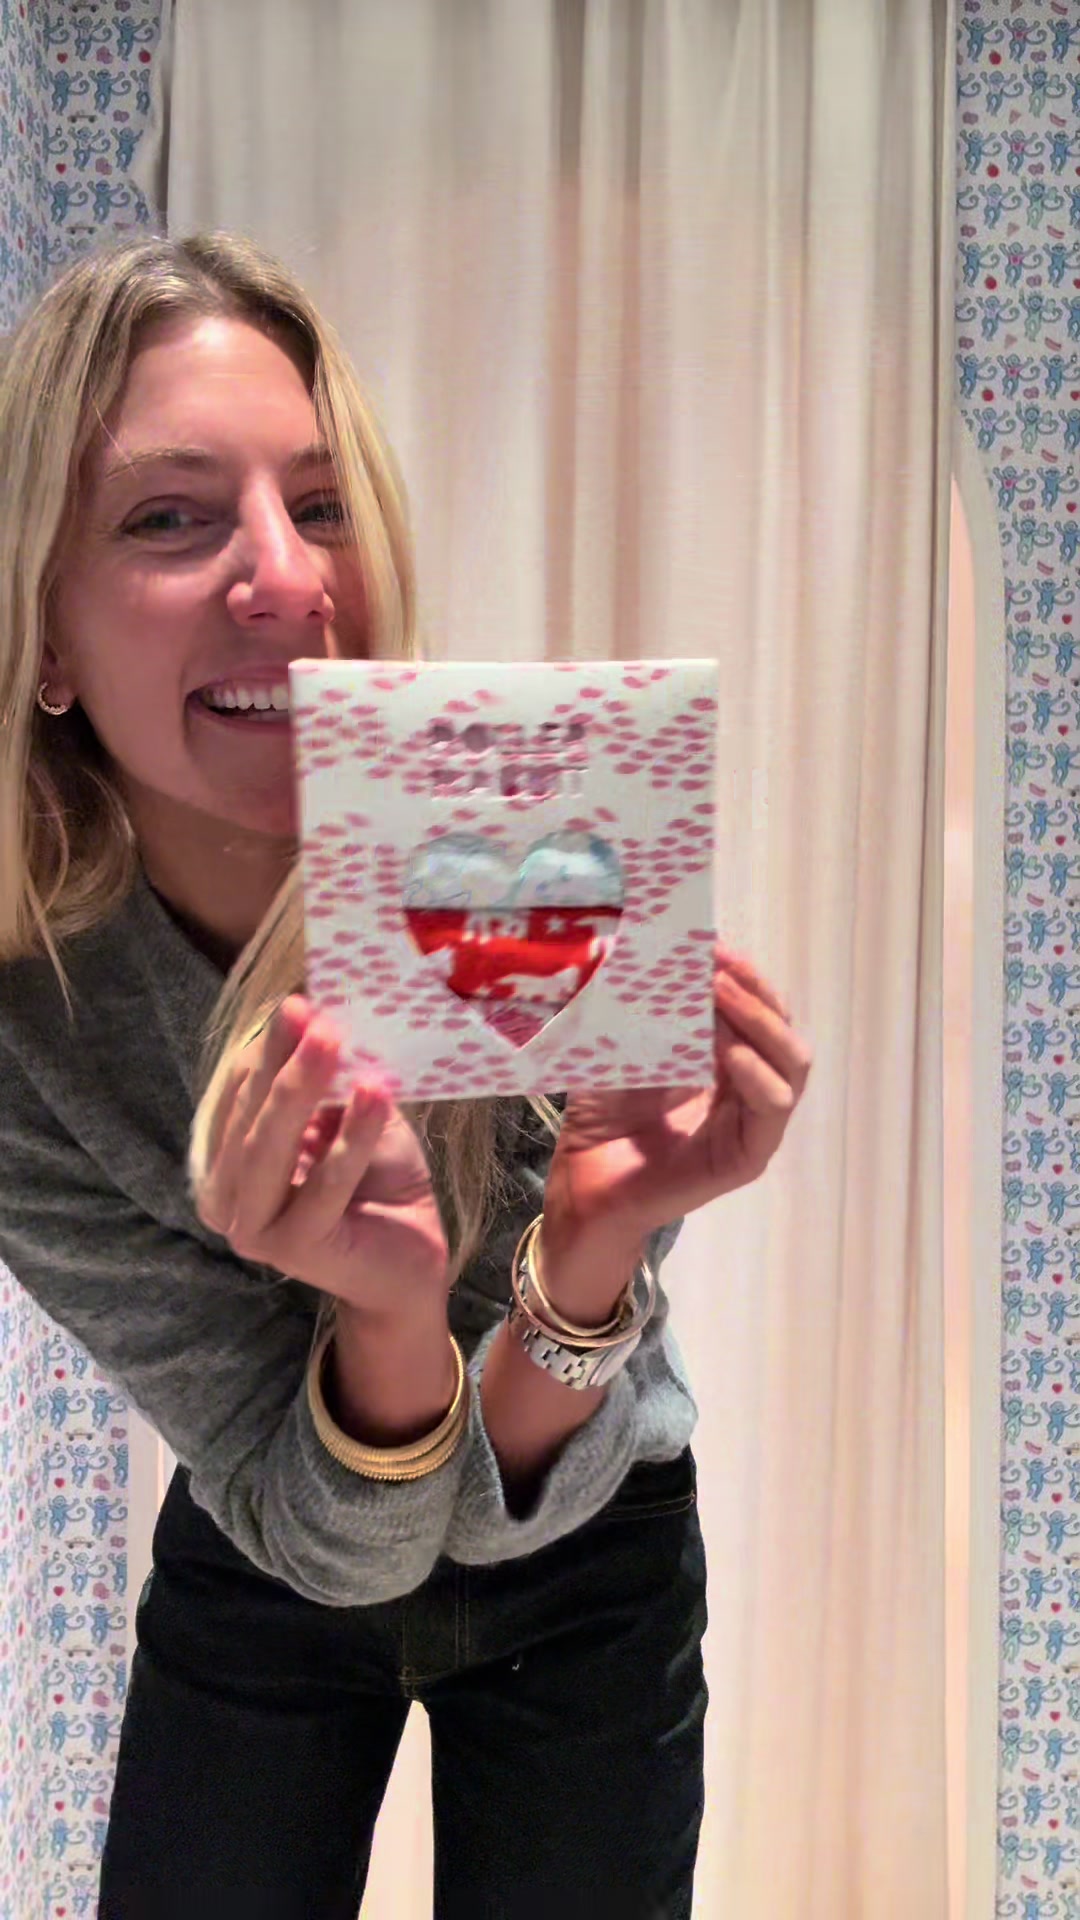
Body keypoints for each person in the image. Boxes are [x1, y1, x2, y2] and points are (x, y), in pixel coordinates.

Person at [0, 232, 812, 1920]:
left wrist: (594, 1238)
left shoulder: (528, 823)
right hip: (274, 1528)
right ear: (43, 639)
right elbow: (337, 1530)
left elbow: (509, 1503)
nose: (286, 577)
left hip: (583, 1519)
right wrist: (377, 1320)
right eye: (169, 517)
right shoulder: (31, 1035)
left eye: (321, 503)